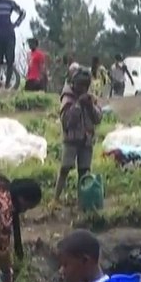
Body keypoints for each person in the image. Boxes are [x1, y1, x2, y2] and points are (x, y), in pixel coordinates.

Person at [54, 69, 103, 204]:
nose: (82, 89)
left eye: (85, 87)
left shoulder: (90, 99)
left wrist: (90, 106)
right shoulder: (67, 99)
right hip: (71, 140)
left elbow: (98, 118)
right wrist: (78, 105)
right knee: (65, 168)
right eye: (80, 86)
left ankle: (83, 201)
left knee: (84, 171)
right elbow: (67, 122)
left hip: (86, 140)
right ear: (74, 84)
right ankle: (55, 199)